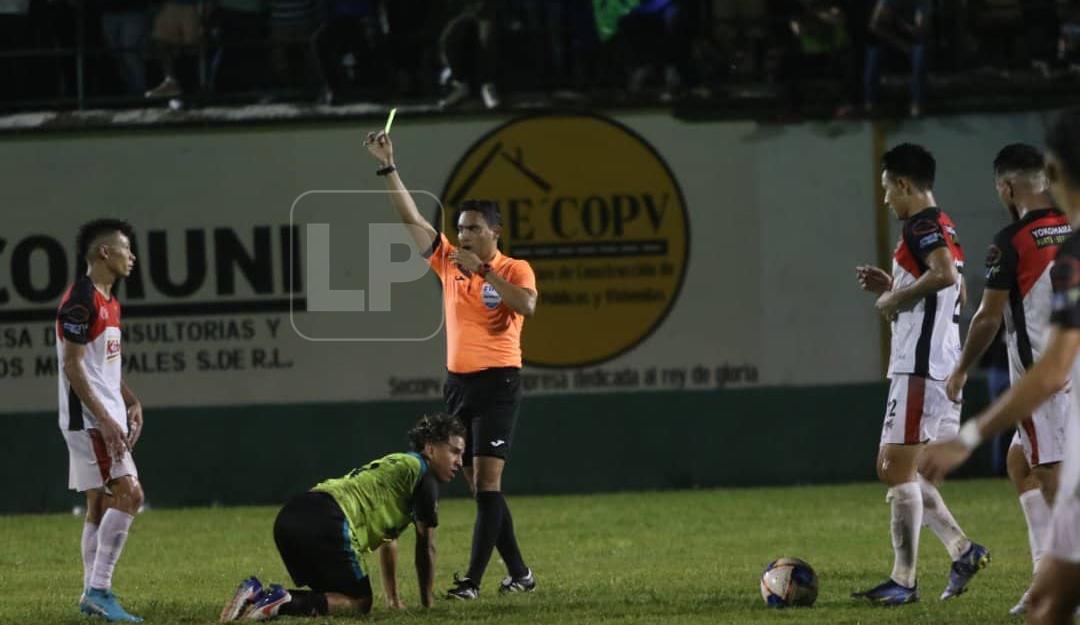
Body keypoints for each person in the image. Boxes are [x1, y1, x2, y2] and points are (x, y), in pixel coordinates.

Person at [363, 129, 538, 600]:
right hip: (458, 385)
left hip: (500, 382)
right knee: (481, 488)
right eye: (460, 228)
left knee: (487, 483)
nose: (463, 235)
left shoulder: (513, 267)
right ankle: (519, 573)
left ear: (495, 232)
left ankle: (472, 582)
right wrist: (388, 167)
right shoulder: (446, 262)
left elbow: (527, 306)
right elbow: (411, 217)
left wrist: (482, 270)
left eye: (474, 228)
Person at [921, 109, 1080, 625]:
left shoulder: (1011, 242)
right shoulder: (1069, 236)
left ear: (1008, 188)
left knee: (1054, 485)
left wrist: (962, 372)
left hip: (1051, 388)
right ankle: (1042, 575)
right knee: (1020, 462)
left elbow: (989, 318)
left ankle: (1058, 587)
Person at [853, 143, 989, 605]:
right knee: (914, 474)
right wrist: (897, 286)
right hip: (941, 366)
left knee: (894, 468)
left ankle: (904, 581)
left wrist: (894, 300)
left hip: (921, 368)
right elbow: (958, 293)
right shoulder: (944, 225)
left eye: (888, 188)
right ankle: (962, 550)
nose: (886, 199)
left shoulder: (921, 225)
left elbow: (946, 276)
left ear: (905, 184)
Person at [219, 413, 466, 620]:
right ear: (431, 449)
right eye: (454, 452)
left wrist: (393, 599)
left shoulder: (399, 471)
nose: (459, 461)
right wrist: (428, 604)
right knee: (360, 603)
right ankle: (282, 604)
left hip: (293, 515)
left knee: (333, 594)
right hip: (330, 519)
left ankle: (256, 593)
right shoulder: (424, 476)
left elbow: (389, 541)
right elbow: (426, 546)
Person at [58, 219, 145, 622]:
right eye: (127, 250)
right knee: (130, 495)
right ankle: (99, 590)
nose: (133, 258)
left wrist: (128, 399)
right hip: (90, 418)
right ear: (104, 253)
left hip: (104, 413)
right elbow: (73, 367)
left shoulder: (108, 300)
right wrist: (108, 420)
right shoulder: (81, 301)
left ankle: (89, 594)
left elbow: (101, 363)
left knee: (99, 503)